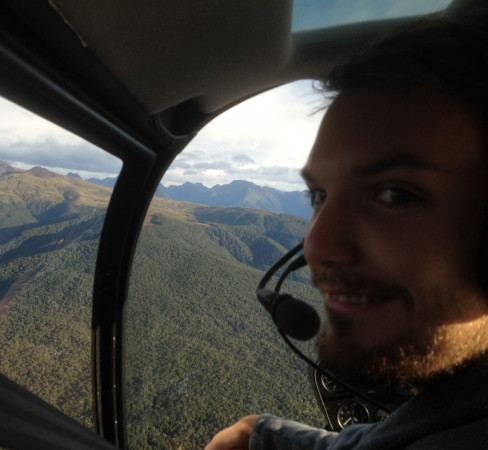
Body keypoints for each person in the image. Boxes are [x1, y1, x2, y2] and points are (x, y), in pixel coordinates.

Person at [206, 9, 488, 450]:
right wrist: (258, 433)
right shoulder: (461, 399)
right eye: (318, 195)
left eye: (395, 195)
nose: (317, 247)